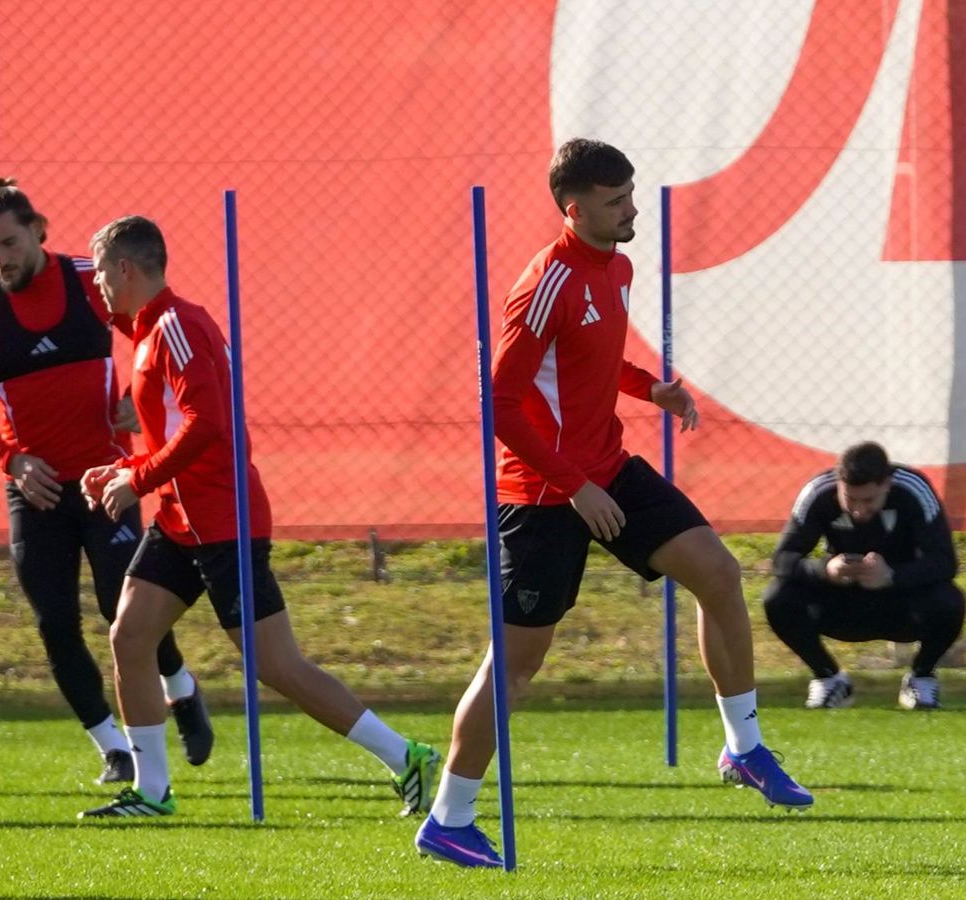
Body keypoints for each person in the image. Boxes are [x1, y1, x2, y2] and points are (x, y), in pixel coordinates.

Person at [415, 139, 812, 869]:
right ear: (574, 209)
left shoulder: (617, 266)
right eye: (615, 200)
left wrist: (651, 389)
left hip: (609, 468)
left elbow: (589, 360)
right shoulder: (547, 281)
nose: (631, 210)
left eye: (631, 194)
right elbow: (499, 401)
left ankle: (744, 748)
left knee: (719, 573)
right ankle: (449, 818)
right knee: (516, 667)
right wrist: (574, 486)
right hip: (542, 493)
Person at [77, 215, 440, 820]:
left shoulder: (176, 326)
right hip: (181, 520)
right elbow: (177, 433)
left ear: (125, 268)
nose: (98, 287)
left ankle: (406, 756)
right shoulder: (149, 331)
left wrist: (137, 479)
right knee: (130, 635)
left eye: (101, 274)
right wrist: (124, 470)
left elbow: (207, 424)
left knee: (276, 665)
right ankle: (152, 791)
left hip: (224, 521)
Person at [0, 179, 212, 784]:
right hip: (35, 490)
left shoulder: (93, 280)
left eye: (10, 243)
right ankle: (113, 749)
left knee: (125, 608)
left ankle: (179, 686)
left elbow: (153, 337)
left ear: (38, 230)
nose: (0, 259)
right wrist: (11, 460)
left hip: (108, 479)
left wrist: (134, 398)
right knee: (54, 623)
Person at [765, 441, 963, 710]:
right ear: (838, 484)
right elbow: (782, 560)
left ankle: (921, 677)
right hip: (842, 601)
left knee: (950, 601)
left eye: (869, 500)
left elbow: (945, 562)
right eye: (850, 499)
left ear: (887, 484)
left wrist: (892, 575)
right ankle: (829, 679)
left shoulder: (913, 489)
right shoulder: (818, 492)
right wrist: (826, 570)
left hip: (901, 603)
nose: (858, 510)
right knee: (777, 597)